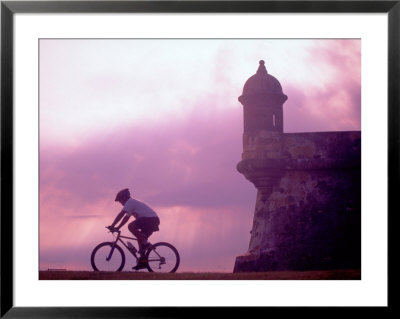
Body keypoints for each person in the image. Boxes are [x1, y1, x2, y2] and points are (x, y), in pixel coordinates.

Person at [107, 188, 160, 270]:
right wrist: (117, 227)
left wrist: (112, 225)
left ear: (124, 198)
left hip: (151, 220)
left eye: (120, 201)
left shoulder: (130, 202)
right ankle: (143, 262)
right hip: (152, 221)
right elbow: (126, 218)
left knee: (131, 226)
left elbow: (121, 214)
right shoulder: (130, 205)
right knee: (140, 239)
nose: (120, 203)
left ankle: (145, 244)